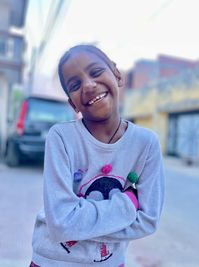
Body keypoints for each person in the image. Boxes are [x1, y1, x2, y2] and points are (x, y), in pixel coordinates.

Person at [30, 44, 165, 267]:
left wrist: (76, 223)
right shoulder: (61, 138)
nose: (89, 85)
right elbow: (60, 223)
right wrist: (129, 203)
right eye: (75, 84)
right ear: (72, 103)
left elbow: (148, 221)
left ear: (117, 74)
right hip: (52, 260)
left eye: (95, 72)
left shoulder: (146, 144)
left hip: (109, 262)